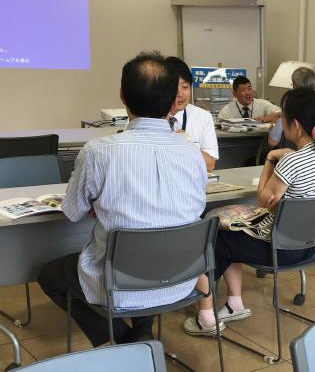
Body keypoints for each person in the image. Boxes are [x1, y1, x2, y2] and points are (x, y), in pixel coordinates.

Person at [37, 51, 208, 347]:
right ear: (172, 103)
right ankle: (141, 335)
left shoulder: (97, 151)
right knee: (151, 246)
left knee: (49, 276)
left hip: (119, 286)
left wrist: (101, 204)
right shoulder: (192, 152)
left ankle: (119, 341)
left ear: (122, 96)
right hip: (181, 281)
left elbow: (73, 212)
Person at [183, 87, 315, 336]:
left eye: (282, 117)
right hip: (310, 244)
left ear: (295, 125)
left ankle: (205, 314)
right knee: (228, 231)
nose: (279, 120)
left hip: (283, 249)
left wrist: (270, 159)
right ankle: (233, 304)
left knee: (214, 235)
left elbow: (263, 200)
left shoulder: (292, 160)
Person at [165, 56, 219, 172]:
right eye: (174, 88)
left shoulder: (203, 117)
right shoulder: (150, 115)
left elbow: (210, 164)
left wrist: (187, 145)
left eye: (185, 87)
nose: (180, 94)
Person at [267, 66, 315, 148]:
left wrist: (274, 126)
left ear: (295, 85)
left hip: (291, 153)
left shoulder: (292, 107)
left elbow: (272, 141)